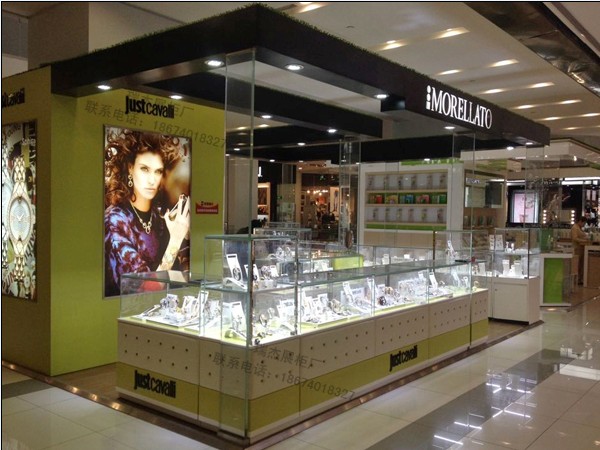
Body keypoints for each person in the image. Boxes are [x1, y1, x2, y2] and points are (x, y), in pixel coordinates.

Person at [104, 129, 190, 297]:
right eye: (144, 169)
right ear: (130, 168)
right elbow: (144, 291)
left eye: (158, 171)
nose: (152, 180)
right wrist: (175, 240)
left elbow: (181, 278)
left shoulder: (160, 219)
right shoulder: (115, 221)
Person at [571, 216, 591, 285]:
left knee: (580, 265)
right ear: (580, 221)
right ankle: (576, 280)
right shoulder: (575, 228)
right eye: (584, 223)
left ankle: (580, 279)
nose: (584, 225)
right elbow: (575, 238)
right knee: (577, 264)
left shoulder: (579, 228)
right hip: (577, 248)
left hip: (581, 248)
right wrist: (584, 240)